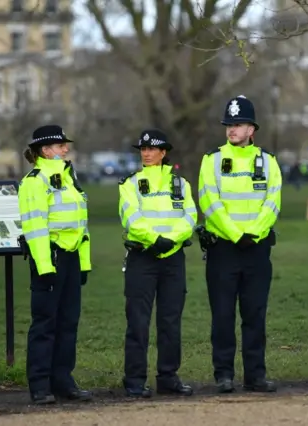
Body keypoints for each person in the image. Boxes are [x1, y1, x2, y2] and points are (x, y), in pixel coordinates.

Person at [197, 95, 282, 393]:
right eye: (228, 124)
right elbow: (209, 202)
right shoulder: (212, 160)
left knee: (255, 314)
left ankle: (255, 376)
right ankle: (224, 375)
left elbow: (273, 203)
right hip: (224, 250)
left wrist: (254, 233)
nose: (232, 129)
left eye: (238, 124)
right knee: (222, 316)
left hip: (257, 250)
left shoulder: (268, 161)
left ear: (252, 129)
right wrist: (236, 234)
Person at [118, 129, 197, 398]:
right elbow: (131, 219)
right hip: (143, 258)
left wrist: (171, 240)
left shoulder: (180, 184)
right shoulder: (130, 184)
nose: (147, 154)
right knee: (138, 321)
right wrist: (155, 240)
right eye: (143, 149)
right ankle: (134, 380)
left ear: (164, 153)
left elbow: (190, 217)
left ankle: (168, 376)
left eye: (152, 149)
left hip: (173, 259)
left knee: (170, 321)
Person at [17, 125, 92, 405]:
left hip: (71, 258)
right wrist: (45, 267)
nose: (66, 149)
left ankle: (63, 381)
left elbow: (80, 224)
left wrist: (83, 263)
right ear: (46, 150)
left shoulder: (69, 177)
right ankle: (39, 385)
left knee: (68, 322)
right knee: (45, 324)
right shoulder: (35, 181)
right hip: (50, 258)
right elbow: (35, 227)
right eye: (61, 145)